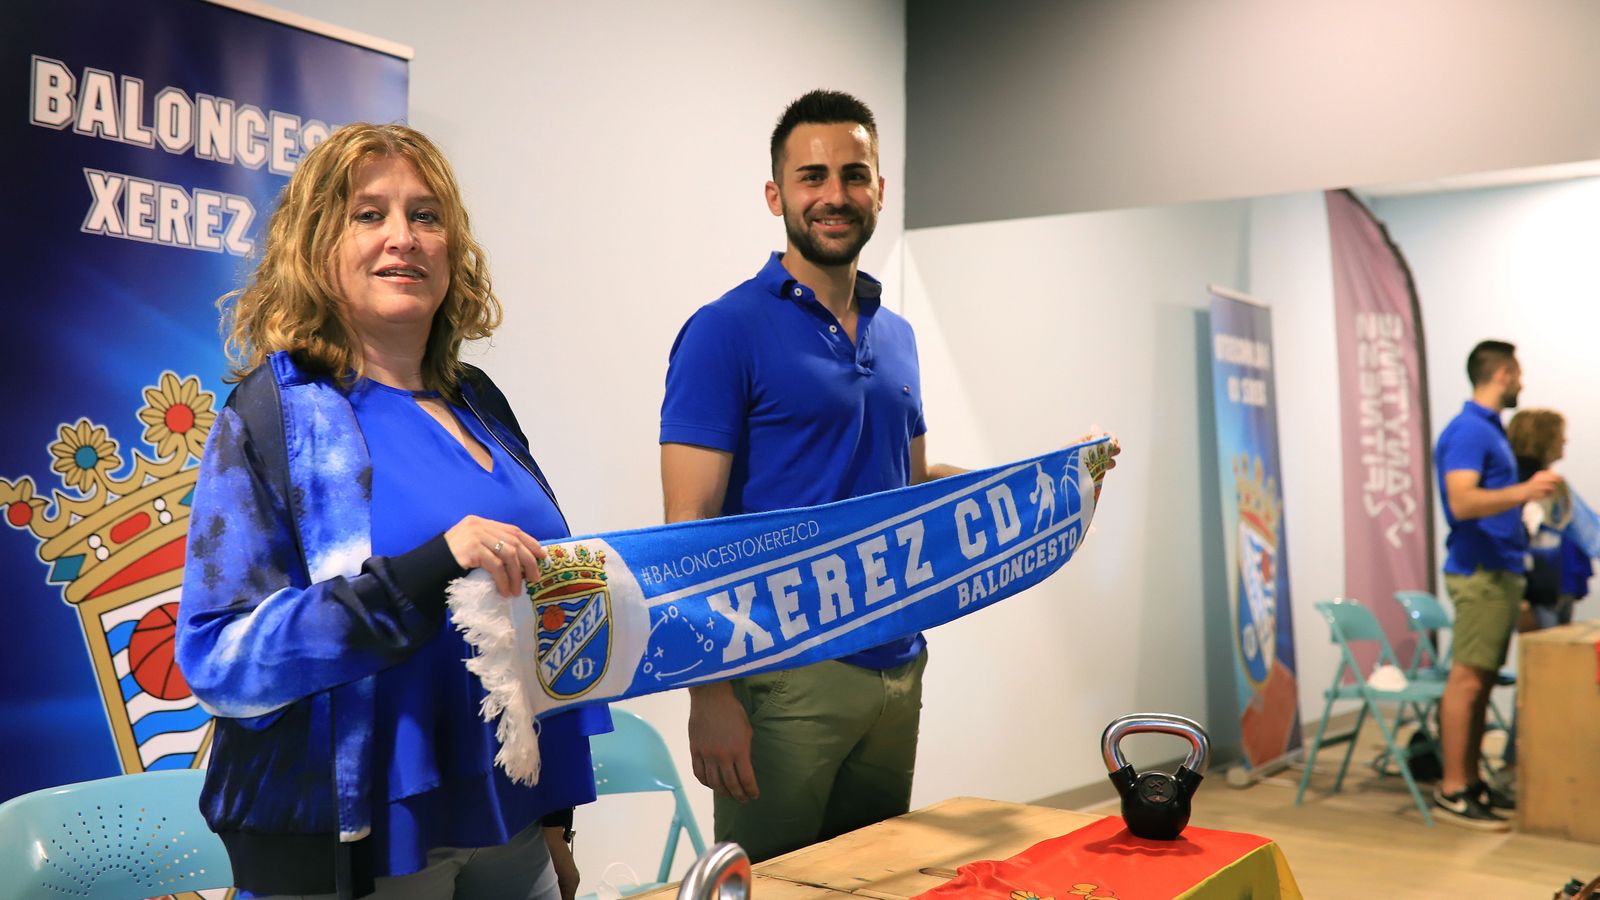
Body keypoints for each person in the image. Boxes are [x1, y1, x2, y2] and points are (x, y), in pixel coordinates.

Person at [659, 89, 1117, 862]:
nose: (833, 195)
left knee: (870, 879)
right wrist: (708, 693)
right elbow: (688, 525)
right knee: (774, 884)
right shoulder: (724, 331)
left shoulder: (895, 334)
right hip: (785, 672)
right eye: (812, 177)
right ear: (776, 195)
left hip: (898, 664)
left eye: (853, 173)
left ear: (878, 189)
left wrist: (1052, 485)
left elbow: (909, 487)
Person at [176, 123, 607, 899]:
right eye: (368, 214)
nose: (402, 238)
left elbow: (534, 615)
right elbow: (222, 657)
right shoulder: (276, 413)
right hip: (368, 836)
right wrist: (426, 568)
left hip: (513, 822)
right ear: (316, 245)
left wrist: (553, 821)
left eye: (426, 215)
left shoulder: (480, 401)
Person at [1431, 339, 1561, 830]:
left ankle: (1470, 781)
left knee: (1482, 678)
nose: (1522, 382)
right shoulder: (1468, 431)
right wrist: (1525, 491)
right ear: (1503, 373)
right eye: (1519, 372)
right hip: (1480, 572)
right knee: (1467, 679)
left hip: (1498, 572)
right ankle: (1453, 789)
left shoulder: (1490, 431)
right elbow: (1462, 503)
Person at [1508, 408, 1590, 630]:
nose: (1565, 440)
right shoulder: (1523, 485)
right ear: (1543, 438)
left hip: (1559, 583)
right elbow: (1515, 536)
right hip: (1538, 589)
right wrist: (1522, 600)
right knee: (1544, 657)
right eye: (1559, 434)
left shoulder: (1548, 482)